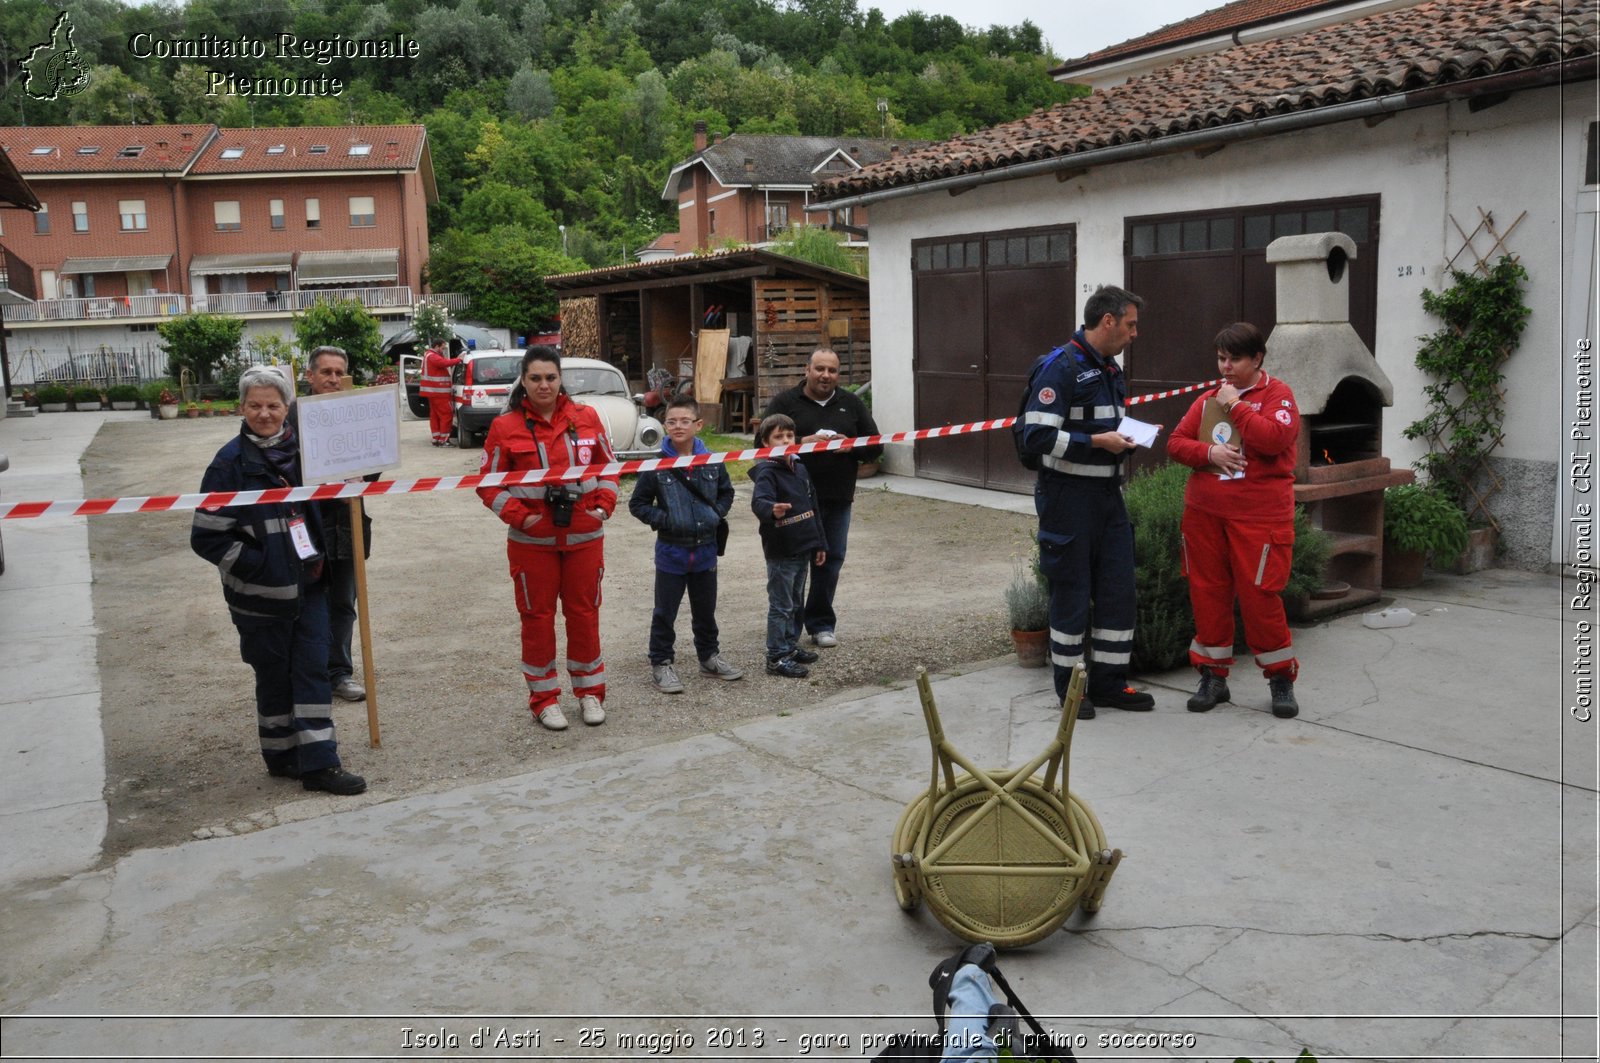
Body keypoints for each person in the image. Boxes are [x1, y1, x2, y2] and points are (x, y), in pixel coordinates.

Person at [190, 367, 367, 794]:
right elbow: (206, 538)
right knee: (272, 677)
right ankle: (280, 755)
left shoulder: (309, 455)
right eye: (255, 405)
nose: (264, 414)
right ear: (242, 408)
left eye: (273, 405)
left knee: (311, 673)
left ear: (287, 407)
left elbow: (352, 483)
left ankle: (319, 764)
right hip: (260, 598)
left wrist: (358, 478)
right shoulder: (229, 464)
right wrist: (260, 566)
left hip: (310, 588)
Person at [1018, 284, 1157, 720]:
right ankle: (1071, 691)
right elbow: (1034, 437)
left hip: (1108, 499)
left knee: (1117, 593)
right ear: (1109, 320)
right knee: (1072, 595)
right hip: (1068, 501)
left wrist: (1125, 439)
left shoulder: (1111, 369)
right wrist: (1097, 441)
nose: (1136, 333)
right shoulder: (1059, 367)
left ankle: (1110, 684)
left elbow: (1106, 426)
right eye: (1131, 324)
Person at [477, 347, 619, 730]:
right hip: (531, 543)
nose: (544, 385)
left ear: (560, 380)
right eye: (536, 378)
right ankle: (544, 699)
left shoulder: (586, 418)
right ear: (523, 380)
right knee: (537, 620)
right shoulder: (505, 427)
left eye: (551, 378)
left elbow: (609, 467)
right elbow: (488, 485)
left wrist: (604, 505)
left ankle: (590, 693)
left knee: (585, 615)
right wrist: (521, 518)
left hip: (584, 537)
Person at [1166, 322, 1302, 718]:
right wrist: (1211, 455)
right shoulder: (1210, 398)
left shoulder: (1278, 395)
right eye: (1221, 358)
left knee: (1261, 596)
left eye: (1234, 359)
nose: (1225, 367)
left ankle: (1280, 680)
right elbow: (1176, 443)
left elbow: (1274, 439)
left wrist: (1236, 406)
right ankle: (1213, 677)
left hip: (1259, 516)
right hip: (1205, 514)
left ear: (1257, 359)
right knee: (1207, 592)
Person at [761, 347, 880, 649]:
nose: (826, 376)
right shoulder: (786, 403)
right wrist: (801, 443)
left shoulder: (851, 403)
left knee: (831, 562)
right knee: (795, 565)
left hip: (838, 498)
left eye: (833, 370)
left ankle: (821, 624)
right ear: (807, 370)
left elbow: (875, 446)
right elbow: (760, 446)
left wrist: (851, 447)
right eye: (820, 369)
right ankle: (790, 628)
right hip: (795, 503)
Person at [627, 395, 743, 693]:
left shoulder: (712, 460)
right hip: (671, 551)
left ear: (698, 425)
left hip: (705, 550)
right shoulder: (656, 466)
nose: (678, 426)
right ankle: (661, 662)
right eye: (671, 421)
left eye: (684, 421)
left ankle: (709, 657)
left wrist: (715, 513)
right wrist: (665, 519)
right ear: (664, 425)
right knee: (665, 611)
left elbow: (726, 493)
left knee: (705, 609)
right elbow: (638, 504)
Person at [302, 346, 372, 704]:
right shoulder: (293, 417)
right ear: (310, 376)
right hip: (304, 527)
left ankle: (339, 673)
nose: (332, 379)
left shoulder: (358, 417)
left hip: (347, 525)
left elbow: (375, 462)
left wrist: (361, 475)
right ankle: (310, 674)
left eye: (338, 372)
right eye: (325, 372)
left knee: (343, 603)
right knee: (307, 603)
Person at [750, 413, 827, 678]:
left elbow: (812, 505)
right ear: (765, 442)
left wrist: (819, 543)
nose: (785, 440)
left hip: (804, 546)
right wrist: (772, 509)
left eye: (789, 435)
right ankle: (776, 657)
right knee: (781, 606)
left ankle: (790, 646)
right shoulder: (766, 472)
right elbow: (758, 502)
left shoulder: (800, 467)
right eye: (778, 437)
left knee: (795, 603)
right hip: (782, 550)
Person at [420, 339, 462, 446]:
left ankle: (436, 438)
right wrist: (458, 359)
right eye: (442, 348)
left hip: (432, 391)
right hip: (439, 391)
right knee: (446, 414)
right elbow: (444, 363)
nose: (443, 351)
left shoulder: (428, 355)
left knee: (435, 415)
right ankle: (443, 440)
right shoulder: (433, 356)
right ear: (437, 346)